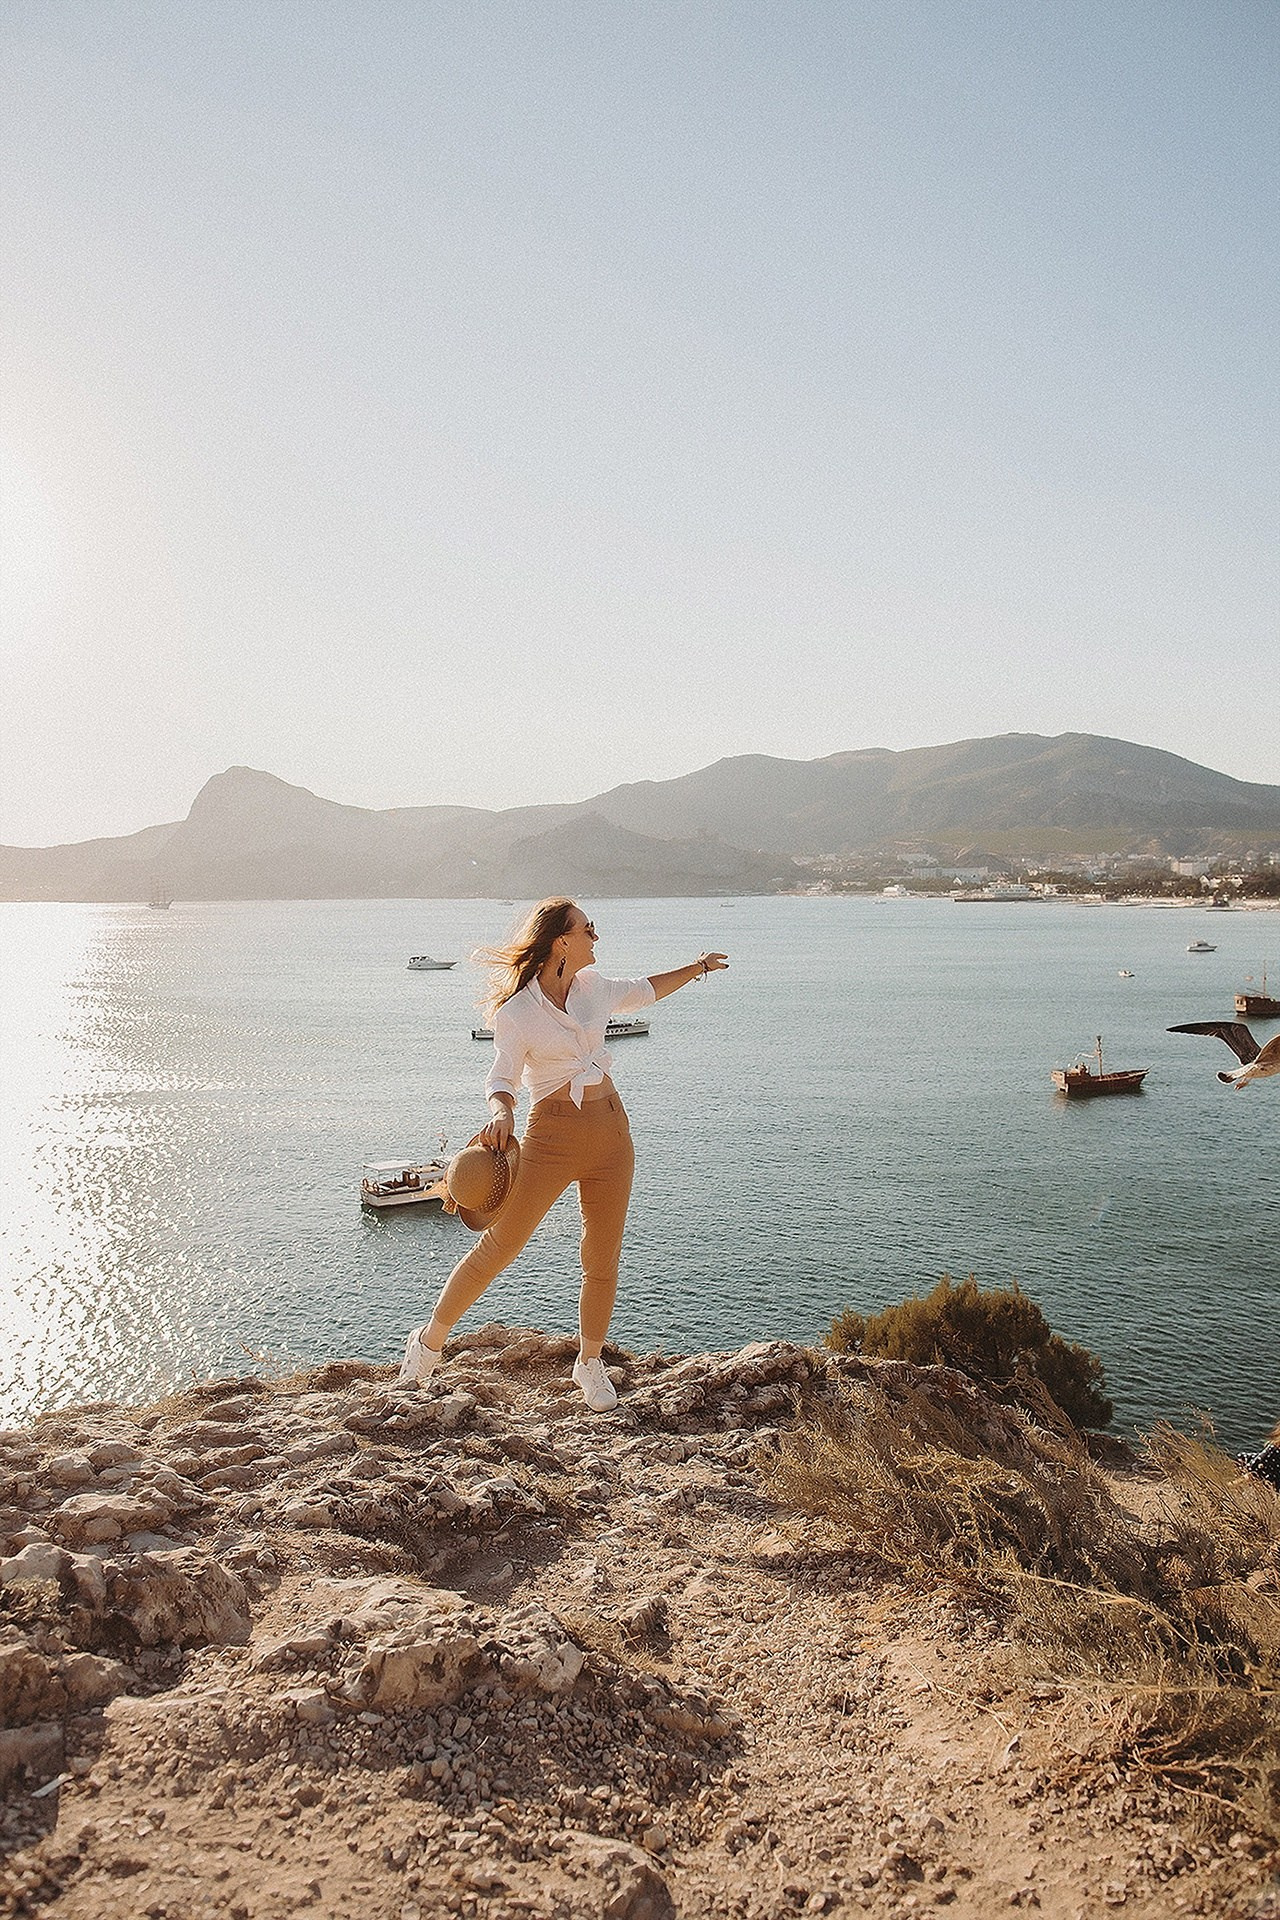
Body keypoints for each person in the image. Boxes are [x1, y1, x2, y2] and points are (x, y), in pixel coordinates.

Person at [397, 898, 728, 1411]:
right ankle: (428, 1342)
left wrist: (699, 968)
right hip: (550, 1137)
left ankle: (589, 1363)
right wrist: (502, 1111)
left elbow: (648, 990)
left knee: (602, 1256)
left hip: (612, 1137)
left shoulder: (595, 990)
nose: (596, 936)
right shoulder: (518, 1012)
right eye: (588, 928)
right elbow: (501, 1077)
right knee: (500, 1245)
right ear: (562, 942)